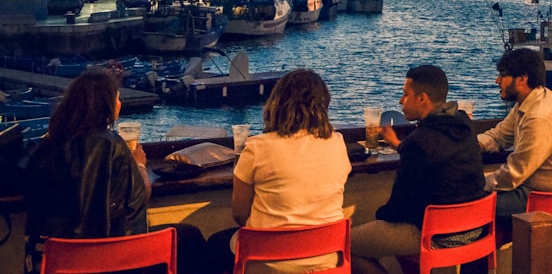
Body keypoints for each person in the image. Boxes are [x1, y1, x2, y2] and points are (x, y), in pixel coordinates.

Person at [24, 68, 207, 274]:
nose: (120, 104)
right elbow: (137, 197)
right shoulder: (109, 145)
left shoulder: (46, 145)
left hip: (49, 258)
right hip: (108, 258)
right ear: (106, 105)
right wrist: (139, 164)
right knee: (189, 238)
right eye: (117, 98)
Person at [207, 69, 351, 273]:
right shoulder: (336, 143)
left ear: (276, 103)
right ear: (323, 105)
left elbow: (239, 215)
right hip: (326, 256)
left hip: (269, 259)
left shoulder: (257, 147)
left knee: (214, 245)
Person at [352, 65, 487, 274]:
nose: (400, 101)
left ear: (422, 98)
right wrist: (398, 144)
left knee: (344, 244)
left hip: (436, 234)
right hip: (474, 229)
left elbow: (397, 208)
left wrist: (379, 216)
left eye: (405, 95)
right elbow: (434, 150)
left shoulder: (420, 141)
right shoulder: (464, 125)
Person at [477, 47, 552, 226]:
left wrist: (478, 184)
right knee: (476, 202)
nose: (497, 80)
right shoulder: (530, 102)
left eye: (503, 75)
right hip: (537, 193)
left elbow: (515, 173)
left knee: (473, 205)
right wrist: (471, 146)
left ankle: (469, 251)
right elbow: (499, 136)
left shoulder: (539, 117)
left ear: (522, 79)